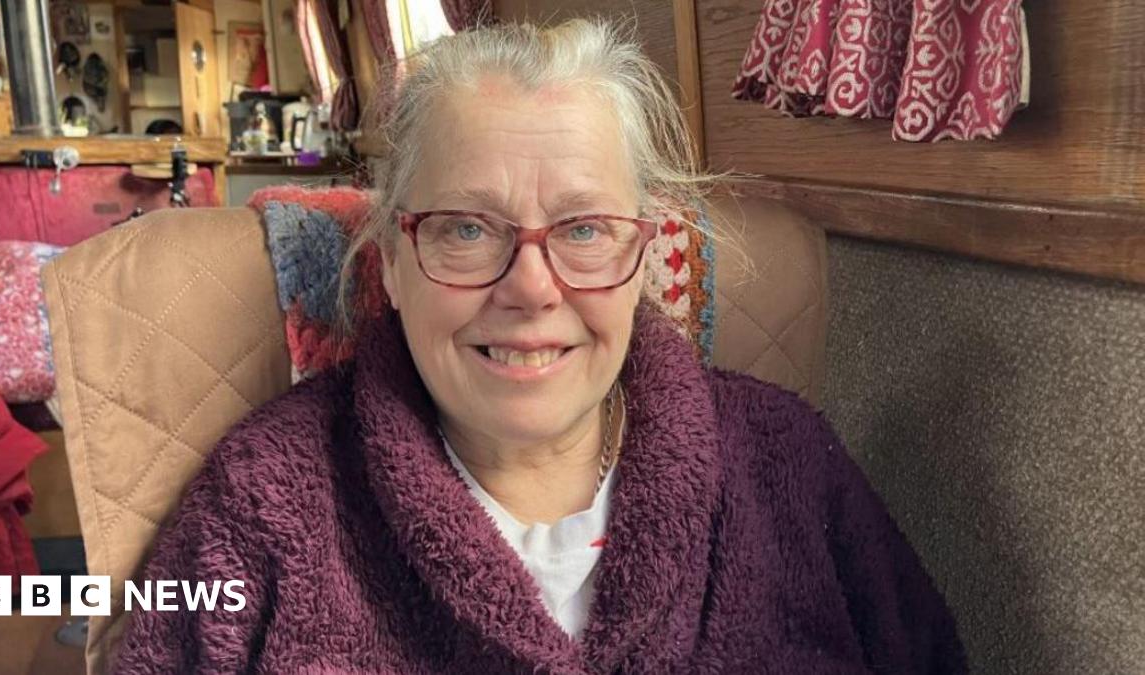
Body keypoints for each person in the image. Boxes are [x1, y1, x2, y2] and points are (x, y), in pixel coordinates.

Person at [114, 19, 965, 673]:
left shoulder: (789, 460)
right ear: (395, 266)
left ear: (643, 260)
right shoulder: (263, 498)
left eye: (585, 228)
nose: (531, 286)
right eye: (466, 229)